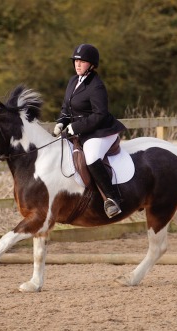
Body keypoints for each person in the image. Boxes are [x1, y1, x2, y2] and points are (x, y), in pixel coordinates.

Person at [54, 44, 126, 218]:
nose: (78, 65)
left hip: (101, 131)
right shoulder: (73, 81)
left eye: (82, 62)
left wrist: (76, 127)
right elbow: (66, 108)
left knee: (92, 157)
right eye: (76, 61)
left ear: (92, 65)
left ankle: (112, 199)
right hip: (81, 132)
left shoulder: (96, 86)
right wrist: (61, 122)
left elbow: (100, 114)